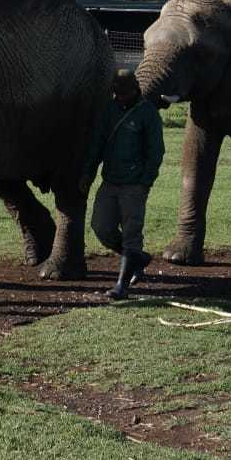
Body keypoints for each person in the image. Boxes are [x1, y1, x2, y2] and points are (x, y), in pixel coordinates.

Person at [81, 69, 164, 300]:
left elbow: (156, 151)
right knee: (101, 227)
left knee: (131, 233)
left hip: (134, 185)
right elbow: (98, 143)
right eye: (116, 93)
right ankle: (138, 258)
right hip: (110, 180)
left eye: (123, 92)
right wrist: (88, 172)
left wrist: (145, 181)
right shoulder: (110, 110)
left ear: (135, 89)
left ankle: (122, 285)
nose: (120, 96)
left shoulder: (148, 113)